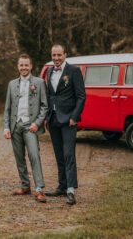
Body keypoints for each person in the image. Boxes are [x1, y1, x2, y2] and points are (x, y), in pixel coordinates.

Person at [3, 54, 48, 203]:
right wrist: (6, 127)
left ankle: (39, 189)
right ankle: (25, 185)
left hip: (30, 126)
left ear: (31, 66)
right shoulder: (11, 84)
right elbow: (7, 108)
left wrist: (37, 123)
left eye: (26, 65)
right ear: (18, 66)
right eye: (21, 65)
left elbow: (44, 106)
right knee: (19, 157)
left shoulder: (39, 82)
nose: (23, 68)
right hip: (15, 126)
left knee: (34, 155)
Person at [45, 44, 86, 205]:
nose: (56, 58)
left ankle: (70, 190)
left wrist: (75, 117)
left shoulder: (74, 71)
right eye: (53, 55)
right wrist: (47, 117)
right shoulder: (48, 71)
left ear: (65, 55)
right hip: (53, 119)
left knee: (69, 155)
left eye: (59, 55)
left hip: (69, 120)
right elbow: (50, 96)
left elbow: (81, 96)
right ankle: (61, 186)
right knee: (59, 154)